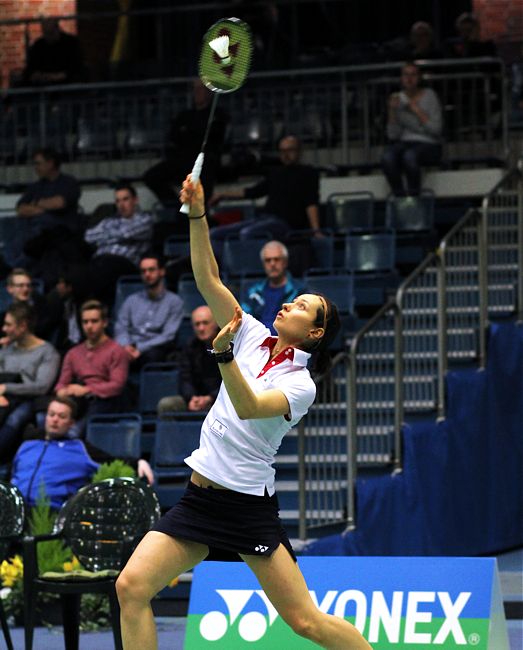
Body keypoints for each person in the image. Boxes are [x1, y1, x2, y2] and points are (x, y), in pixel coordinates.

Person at [115, 175, 372, 650]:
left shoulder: (301, 384)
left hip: (246, 507)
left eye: (302, 306)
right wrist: (197, 213)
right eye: (294, 299)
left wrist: (224, 357)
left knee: (305, 622)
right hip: (199, 498)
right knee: (130, 588)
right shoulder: (250, 331)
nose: (289, 303)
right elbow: (207, 278)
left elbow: (252, 408)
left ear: (315, 333)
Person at [11, 397, 153, 510]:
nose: (55, 419)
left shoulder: (80, 448)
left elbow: (110, 461)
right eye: (51, 414)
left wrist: (138, 462)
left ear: (71, 423)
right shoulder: (27, 445)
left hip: (51, 513)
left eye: (62, 416)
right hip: (15, 511)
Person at [209, 135, 321, 258]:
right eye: (282, 151)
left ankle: (252, 270)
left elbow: (311, 202)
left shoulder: (308, 173)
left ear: (299, 152)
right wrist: (222, 194)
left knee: (248, 233)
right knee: (214, 234)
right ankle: (224, 272)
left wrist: (316, 230)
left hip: (285, 224)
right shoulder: (276, 173)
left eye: (290, 150)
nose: (286, 154)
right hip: (263, 219)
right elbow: (252, 192)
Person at [142, 79, 228, 207]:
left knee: (203, 180)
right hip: (182, 160)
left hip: (205, 162)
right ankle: (176, 206)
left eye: (201, 89)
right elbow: (174, 137)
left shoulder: (217, 114)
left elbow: (212, 137)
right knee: (151, 176)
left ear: (209, 92)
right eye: (195, 89)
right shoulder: (184, 116)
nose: (197, 92)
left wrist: (191, 133)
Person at [54, 300, 130, 435]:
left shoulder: (117, 351)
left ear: (104, 323)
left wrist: (86, 389)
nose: (89, 326)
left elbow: (117, 385)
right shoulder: (73, 353)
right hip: (77, 402)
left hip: (104, 402)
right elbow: (61, 383)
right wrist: (61, 391)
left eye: (94, 321)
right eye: (85, 322)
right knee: (46, 421)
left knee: (72, 432)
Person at [15, 147, 86, 287]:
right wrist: (43, 209)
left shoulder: (68, 182)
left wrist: (36, 204)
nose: (36, 167)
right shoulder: (36, 186)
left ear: (50, 163)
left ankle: (15, 270)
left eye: (38, 163)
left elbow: (60, 203)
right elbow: (21, 209)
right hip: (35, 232)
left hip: (60, 233)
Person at [0, 303, 60, 462]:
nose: (4, 329)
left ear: (23, 326)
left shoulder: (47, 352)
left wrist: (6, 388)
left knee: (15, 418)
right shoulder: (6, 350)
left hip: (30, 400)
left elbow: (41, 387)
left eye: (8, 324)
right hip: (4, 399)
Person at [82, 182, 154, 305]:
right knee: (79, 273)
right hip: (99, 261)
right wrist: (117, 236)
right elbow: (88, 236)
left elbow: (126, 234)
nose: (121, 205)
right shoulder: (109, 221)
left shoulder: (144, 219)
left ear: (135, 200)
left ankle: (97, 305)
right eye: (118, 201)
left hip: (125, 263)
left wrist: (104, 237)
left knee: (103, 269)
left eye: (125, 199)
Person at [381, 61, 443, 197]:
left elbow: (435, 129)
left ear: (419, 78)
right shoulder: (398, 99)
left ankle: (415, 197)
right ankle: (401, 198)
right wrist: (391, 111)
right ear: (401, 78)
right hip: (405, 142)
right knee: (387, 157)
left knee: (410, 156)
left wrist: (415, 109)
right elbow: (393, 135)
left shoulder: (430, 95)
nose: (409, 78)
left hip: (429, 143)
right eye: (406, 75)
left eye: (413, 75)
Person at [114, 253, 184, 369]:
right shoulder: (131, 300)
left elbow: (168, 335)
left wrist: (140, 348)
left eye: (151, 270)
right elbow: (121, 327)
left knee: (153, 356)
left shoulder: (174, 301)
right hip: (129, 347)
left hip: (155, 349)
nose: (147, 274)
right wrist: (126, 346)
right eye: (143, 271)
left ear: (162, 271)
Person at [157, 305, 221, 416]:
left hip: (222, 399)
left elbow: (231, 381)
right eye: (197, 324)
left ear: (216, 323)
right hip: (195, 399)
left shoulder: (229, 344)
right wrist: (191, 397)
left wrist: (210, 397)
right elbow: (185, 378)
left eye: (205, 323)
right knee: (166, 405)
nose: (201, 328)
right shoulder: (190, 346)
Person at [242, 240, 304, 334]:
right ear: (263, 264)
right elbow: (244, 320)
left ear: (285, 262)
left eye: (277, 259)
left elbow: (300, 326)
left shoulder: (300, 291)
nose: (272, 264)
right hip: (256, 341)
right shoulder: (252, 291)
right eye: (268, 260)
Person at [0, 268, 62, 343]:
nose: (25, 289)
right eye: (20, 286)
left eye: (28, 285)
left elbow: (43, 333)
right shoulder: (5, 314)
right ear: (10, 289)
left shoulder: (42, 308)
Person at [23, 17, 86, 86]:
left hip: (67, 83)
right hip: (43, 84)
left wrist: (62, 75)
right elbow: (30, 67)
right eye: (45, 33)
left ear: (57, 29)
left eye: (50, 33)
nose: (48, 36)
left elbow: (77, 66)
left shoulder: (71, 43)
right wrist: (34, 75)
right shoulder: (39, 45)